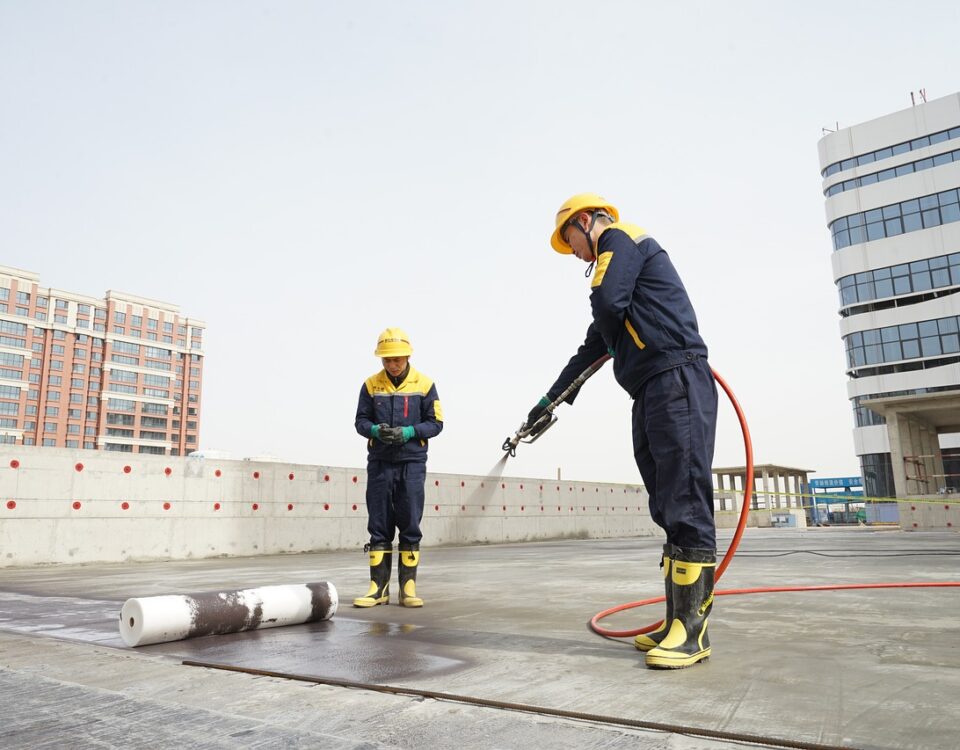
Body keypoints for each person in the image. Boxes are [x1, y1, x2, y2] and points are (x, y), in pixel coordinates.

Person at [523, 193, 718, 669]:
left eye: (570, 240)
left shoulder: (620, 238)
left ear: (585, 221)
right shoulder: (618, 285)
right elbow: (592, 347)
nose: (574, 253)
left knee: (685, 501)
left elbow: (607, 303)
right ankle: (677, 619)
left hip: (677, 378)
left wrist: (606, 315)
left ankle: (693, 635)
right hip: (651, 388)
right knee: (667, 504)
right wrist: (548, 402)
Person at [353, 328, 444, 608]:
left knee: (409, 523)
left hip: (412, 464)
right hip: (380, 463)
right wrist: (375, 430)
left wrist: (409, 432)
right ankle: (378, 589)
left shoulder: (425, 385)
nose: (392, 365)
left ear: (407, 356)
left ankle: (408, 589)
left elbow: (436, 423)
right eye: (387, 360)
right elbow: (360, 421)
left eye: (397, 359)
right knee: (379, 525)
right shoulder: (370, 385)